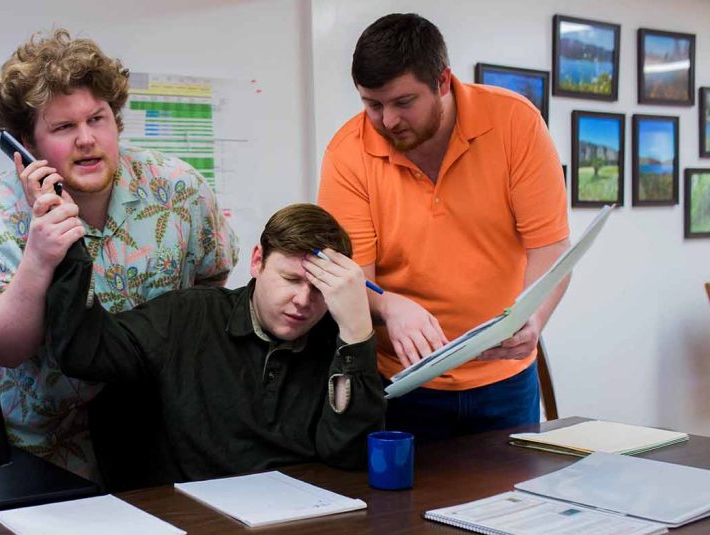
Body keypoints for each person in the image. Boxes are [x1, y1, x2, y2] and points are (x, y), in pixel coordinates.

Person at [0, 28, 238, 479]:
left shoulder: (177, 187)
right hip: (41, 450)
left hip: (160, 436)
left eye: (97, 119)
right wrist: (40, 257)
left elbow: (211, 282)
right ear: (25, 147)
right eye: (64, 127)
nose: (86, 139)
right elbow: (5, 348)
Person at [317, 13, 570, 443]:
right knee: (402, 510)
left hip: (505, 378)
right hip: (401, 381)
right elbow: (348, 282)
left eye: (402, 102)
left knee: (513, 504)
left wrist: (534, 320)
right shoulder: (347, 154)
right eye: (372, 104)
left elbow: (551, 250)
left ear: (443, 81)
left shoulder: (515, 123)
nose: (388, 121)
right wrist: (389, 305)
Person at [33, 202, 385, 483]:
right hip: (193, 514)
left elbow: (348, 455)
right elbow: (83, 352)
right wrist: (68, 254)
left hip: (301, 514)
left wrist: (355, 336)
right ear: (257, 261)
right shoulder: (188, 316)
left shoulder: (333, 340)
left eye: (320, 289)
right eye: (291, 279)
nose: (303, 301)